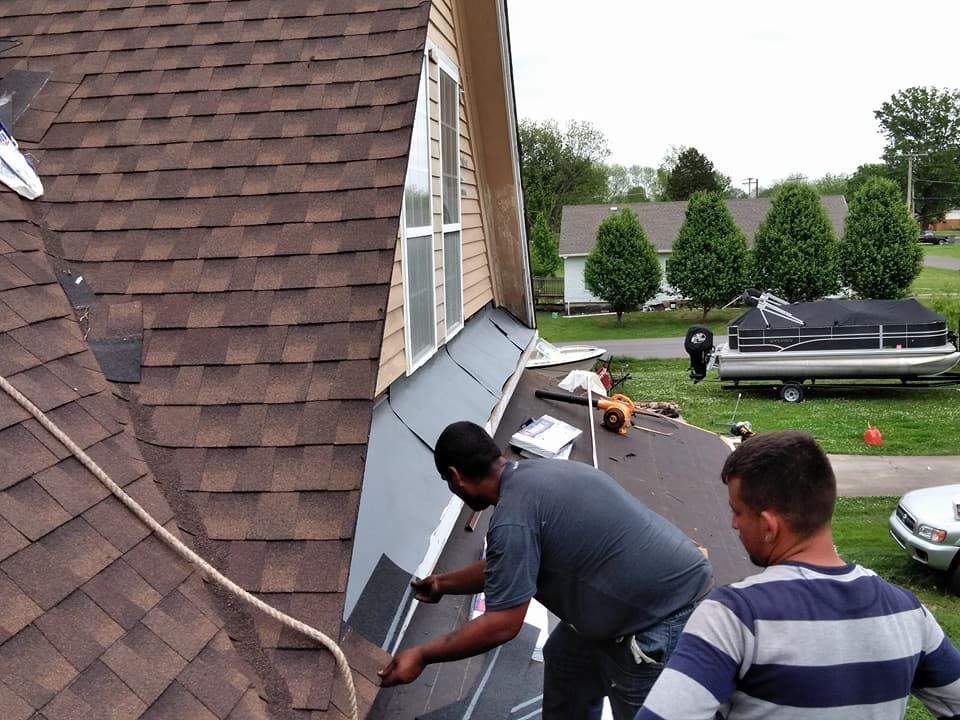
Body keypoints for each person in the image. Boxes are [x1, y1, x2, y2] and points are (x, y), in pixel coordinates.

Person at [378, 420, 712, 719]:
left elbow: (501, 625)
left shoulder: (513, 518)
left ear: (455, 476)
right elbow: (506, 567)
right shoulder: (539, 474)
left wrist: (422, 655)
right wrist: (443, 584)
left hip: (660, 617)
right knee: (566, 662)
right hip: (630, 598)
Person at [636, 430, 960, 720]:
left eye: (737, 512)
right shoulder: (908, 611)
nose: (733, 524)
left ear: (769, 525)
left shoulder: (733, 616)